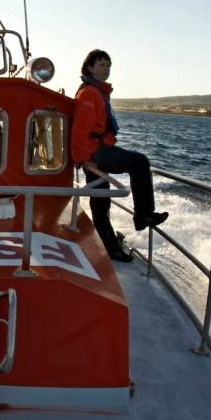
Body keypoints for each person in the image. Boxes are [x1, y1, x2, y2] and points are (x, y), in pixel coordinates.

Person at [71, 49, 167, 262]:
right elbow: (80, 129)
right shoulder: (90, 93)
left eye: (108, 65)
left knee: (100, 202)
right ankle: (143, 215)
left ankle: (110, 247)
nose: (106, 68)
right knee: (140, 162)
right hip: (96, 152)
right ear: (90, 67)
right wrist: (82, 158)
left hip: (94, 151)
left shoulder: (97, 91)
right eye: (101, 64)